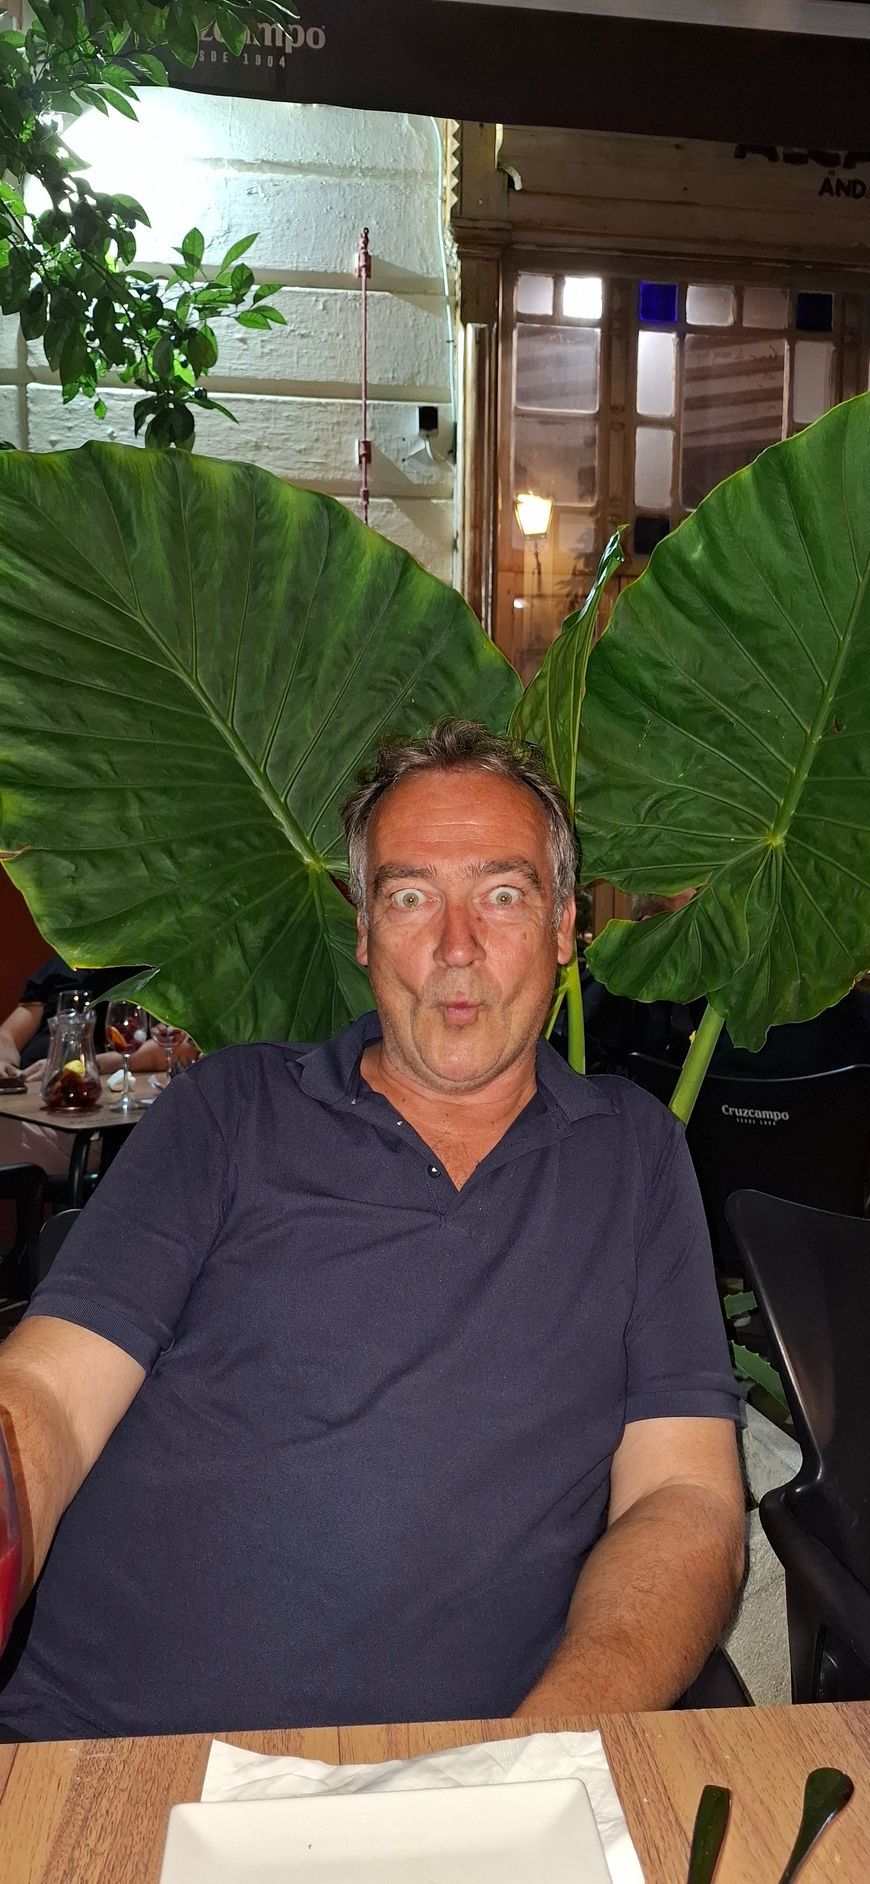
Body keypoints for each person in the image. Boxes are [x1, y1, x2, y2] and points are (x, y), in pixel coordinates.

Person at [0, 721, 744, 1740]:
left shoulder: (633, 1157)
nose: (456, 946)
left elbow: (685, 1497)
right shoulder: (231, 1112)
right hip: (119, 1752)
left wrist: (537, 1756)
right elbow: (49, 1394)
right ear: (362, 932)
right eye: (409, 897)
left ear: (565, 925)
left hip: (466, 1774)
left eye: (503, 894)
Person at [582, 894, 870, 1078]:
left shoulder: (721, 991)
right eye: (696, 921)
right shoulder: (613, 985)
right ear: (649, 923)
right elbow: (589, 1069)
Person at [0, 953, 195, 1178]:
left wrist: (80, 1067)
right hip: (24, 1104)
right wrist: (5, 1061)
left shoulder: (151, 961)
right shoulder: (65, 961)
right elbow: (9, 1035)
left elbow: (177, 1046)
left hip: (83, 1122)